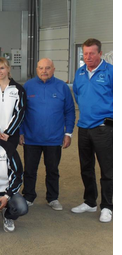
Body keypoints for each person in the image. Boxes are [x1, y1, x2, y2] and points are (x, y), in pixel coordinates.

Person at [19, 58, 75, 210]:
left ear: (54, 69)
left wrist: (68, 133)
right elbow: (21, 112)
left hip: (54, 138)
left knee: (52, 170)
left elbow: (69, 111)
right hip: (31, 138)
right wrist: (21, 131)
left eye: (47, 68)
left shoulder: (62, 87)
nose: (44, 71)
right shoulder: (28, 86)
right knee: (30, 170)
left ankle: (53, 198)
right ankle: (29, 196)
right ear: (37, 69)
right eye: (41, 68)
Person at [71, 38, 113, 223]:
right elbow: (78, 96)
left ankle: (107, 206)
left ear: (100, 53)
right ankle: (90, 202)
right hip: (84, 127)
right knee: (86, 167)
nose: (88, 57)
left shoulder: (111, 72)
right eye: (85, 53)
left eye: (92, 53)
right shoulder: (79, 73)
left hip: (104, 128)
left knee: (107, 169)